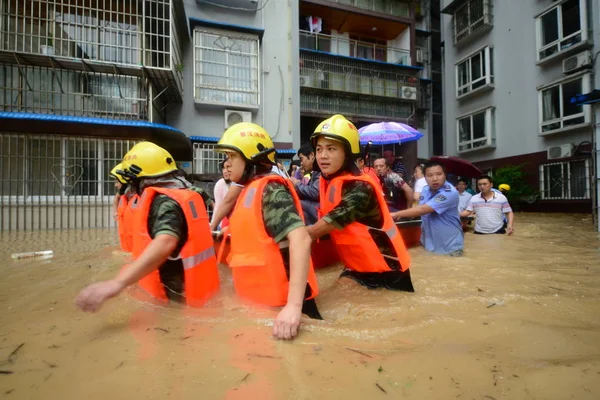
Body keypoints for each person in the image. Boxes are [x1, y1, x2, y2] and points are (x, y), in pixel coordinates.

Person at [75, 142, 220, 311]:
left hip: (178, 299)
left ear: (139, 178)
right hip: (194, 293)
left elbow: (166, 241)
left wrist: (117, 283)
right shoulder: (179, 195)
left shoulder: (165, 203)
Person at [215, 122, 320, 340]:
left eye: (231, 156)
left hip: (284, 308)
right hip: (262, 305)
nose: (227, 163)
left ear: (251, 158)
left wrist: (293, 307)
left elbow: (300, 239)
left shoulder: (270, 190)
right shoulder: (249, 190)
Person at [305, 114, 414, 292]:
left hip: (388, 273)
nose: (323, 156)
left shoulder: (361, 188)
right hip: (357, 267)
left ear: (348, 153)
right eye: (319, 149)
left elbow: (318, 230)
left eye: (331, 149)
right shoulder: (329, 182)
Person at [391, 161, 464, 256]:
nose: (435, 179)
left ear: (445, 175)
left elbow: (424, 209)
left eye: (439, 174)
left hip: (450, 248)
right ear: (424, 177)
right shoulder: (425, 190)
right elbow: (419, 207)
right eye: (430, 175)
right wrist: (404, 215)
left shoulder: (449, 192)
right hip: (428, 244)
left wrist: (397, 214)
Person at [290, 143, 321, 225]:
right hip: (317, 210)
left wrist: (297, 184)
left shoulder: (321, 171)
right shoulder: (315, 172)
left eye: (301, 159)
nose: (301, 163)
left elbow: (315, 192)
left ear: (311, 155)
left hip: (321, 212)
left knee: (293, 202)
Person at [212, 160, 232, 229]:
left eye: (228, 167)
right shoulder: (220, 184)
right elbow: (218, 206)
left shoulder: (240, 184)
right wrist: (213, 225)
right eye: (223, 168)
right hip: (223, 222)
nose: (225, 171)